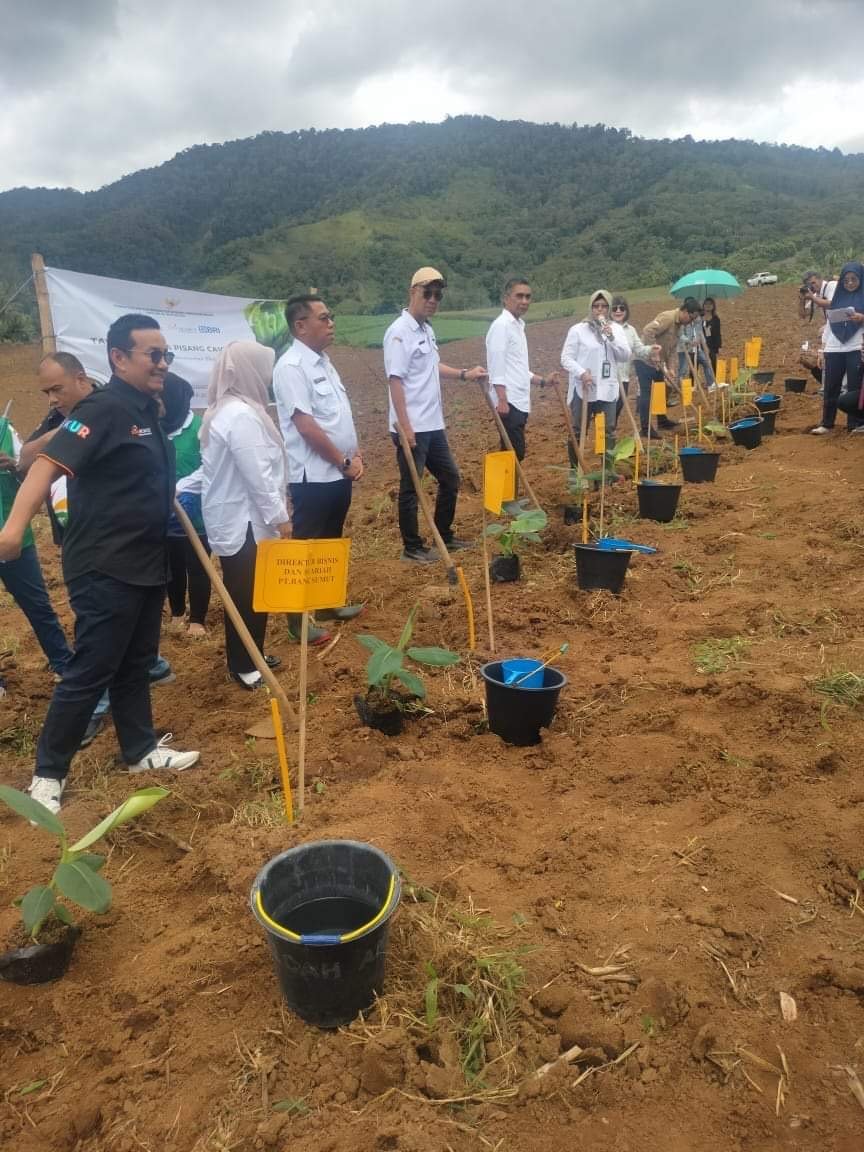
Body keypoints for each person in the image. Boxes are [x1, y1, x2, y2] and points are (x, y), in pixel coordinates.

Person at [0, 315, 200, 814]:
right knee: (91, 669)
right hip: (104, 565)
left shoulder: (146, 410)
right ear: (118, 358)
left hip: (145, 562)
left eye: (165, 354)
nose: (162, 364)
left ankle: (139, 750)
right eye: (152, 355)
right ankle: (48, 774)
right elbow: (45, 465)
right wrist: (13, 529)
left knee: (135, 663)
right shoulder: (104, 408)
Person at [200, 341, 291, 689]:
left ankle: (253, 654)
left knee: (255, 592)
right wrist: (281, 518)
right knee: (246, 595)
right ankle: (242, 665)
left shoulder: (232, 410)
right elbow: (258, 476)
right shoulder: (240, 415)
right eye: (263, 368)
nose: (267, 376)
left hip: (242, 519)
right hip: (246, 523)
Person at [273, 295, 363, 639]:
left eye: (331, 317)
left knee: (330, 541)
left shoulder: (324, 362)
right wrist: (343, 462)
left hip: (339, 472)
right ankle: (298, 622)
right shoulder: (291, 367)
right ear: (300, 325)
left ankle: (327, 604)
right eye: (324, 318)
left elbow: (341, 415)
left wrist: (356, 456)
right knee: (306, 547)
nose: (331, 324)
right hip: (314, 475)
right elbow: (306, 426)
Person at [383, 267, 487, 564]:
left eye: (437, 295)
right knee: (411, 488)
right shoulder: (399, 333)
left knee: (450, 478)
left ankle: (444, 534)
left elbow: (433, 366)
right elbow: (395, 380)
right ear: (412, 292)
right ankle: (412, 547)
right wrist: (405, 426)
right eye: (426, 293)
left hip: (432, 425)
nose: (432, 300)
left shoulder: (426, 330)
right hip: (411, 427)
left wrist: (465, 374)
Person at [0, 414, 71, 698]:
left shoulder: (6, 430)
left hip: (15, 537)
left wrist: (13, 467)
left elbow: (30, 474)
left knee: (39, 606)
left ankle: (64, 664)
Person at [161, 372, 211, 638]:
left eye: (162, 398)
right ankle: (178, 612)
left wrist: (179, 488)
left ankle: (198, 619)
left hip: (197, 512)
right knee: (172, 564)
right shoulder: (155, 428)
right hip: (163, 513)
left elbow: (209, 468)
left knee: (198, 563)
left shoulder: (199, 429)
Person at [485, 277, 550, 461]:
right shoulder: (501, 326)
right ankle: (503, 490)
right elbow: (496, 365)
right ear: (506, 298)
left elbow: (518, 367)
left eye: (528, 297)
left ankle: (508, 490)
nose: (524, 301)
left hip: (520, 400)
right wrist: (502, 399)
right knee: (513, 452)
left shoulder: (518, 326)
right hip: (509, 401)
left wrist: (543, 381)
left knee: (511, 452)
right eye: (519, 296)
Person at [561, 290, 631, 459]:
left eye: (604, 306)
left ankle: (607, 471)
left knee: (608, 429)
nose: (600, 310)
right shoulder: (578, 330)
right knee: (578, 430)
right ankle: (575, 472)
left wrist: (611, 337)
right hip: (583, 387)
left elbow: (625, 355)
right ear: (591, 308)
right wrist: (581, 372)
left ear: (609, 309)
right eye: (596, 306)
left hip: (607, 389)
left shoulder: (615, 329)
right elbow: (566, 358)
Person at [811, 260, 864, 435]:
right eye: (846, 280)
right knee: (830, 387)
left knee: (854, 387)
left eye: (853, 279)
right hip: (834, 348)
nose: (849, 283)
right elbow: (829, 324)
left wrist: (862, 317)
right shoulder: (837, 298)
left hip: (856, 347)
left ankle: (855, 424)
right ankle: (827, 423)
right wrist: (822, 349)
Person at [635, 297, 702, 435]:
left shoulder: (679, 327)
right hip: (644, 361)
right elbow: (648, 331)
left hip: (659, 363)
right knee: (646, 393)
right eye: (691, 318)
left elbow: (672, 349)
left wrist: (671, 368)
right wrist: (653, 352)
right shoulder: (668, 318)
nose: (690, 322)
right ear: (684, 311)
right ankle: (645, 428)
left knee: (662, 390)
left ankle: (662, 421)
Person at [609, 296, 660, 428]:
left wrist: (650, 349)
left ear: (626, 311)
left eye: (622, 308)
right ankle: (604, 439)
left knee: (618, 407)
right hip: (608, 378)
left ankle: (609, 437)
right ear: (610, 310)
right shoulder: (606, 328)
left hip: (624, 377)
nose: (618, 311)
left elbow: (639, 349)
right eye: (615, 308)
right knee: (607, 411)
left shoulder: (630, 330)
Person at [701, 297, 722, 374]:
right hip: (700, 344)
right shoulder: (699, 318)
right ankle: (693, 383)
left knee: (713, 361)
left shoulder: (716, 319)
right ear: (703, 305)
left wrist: (719, 346)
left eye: (710, 304)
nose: (708, 305)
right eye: (706, 304)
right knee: (695, 361)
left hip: (712, 344)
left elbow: (718, 334)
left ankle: (714, 381)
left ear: (713, 306)